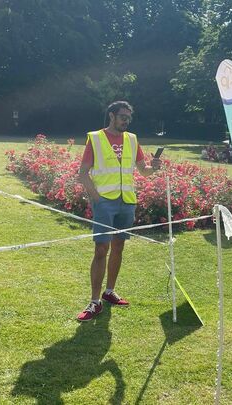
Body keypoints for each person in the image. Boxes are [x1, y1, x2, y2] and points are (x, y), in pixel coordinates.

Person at [77, 100, 161, 321]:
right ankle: (95, 302)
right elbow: (83, 173)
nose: (126, 120)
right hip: (105, 202)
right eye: (123, 116)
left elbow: (144, 171)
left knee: (118, 247)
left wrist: (154, 168)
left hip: (127, 201)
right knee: (101, 249)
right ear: (112, 116)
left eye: (128, 117)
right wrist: (97, 199)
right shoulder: (95, 138)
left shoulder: (132, 140)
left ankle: (109, 292)